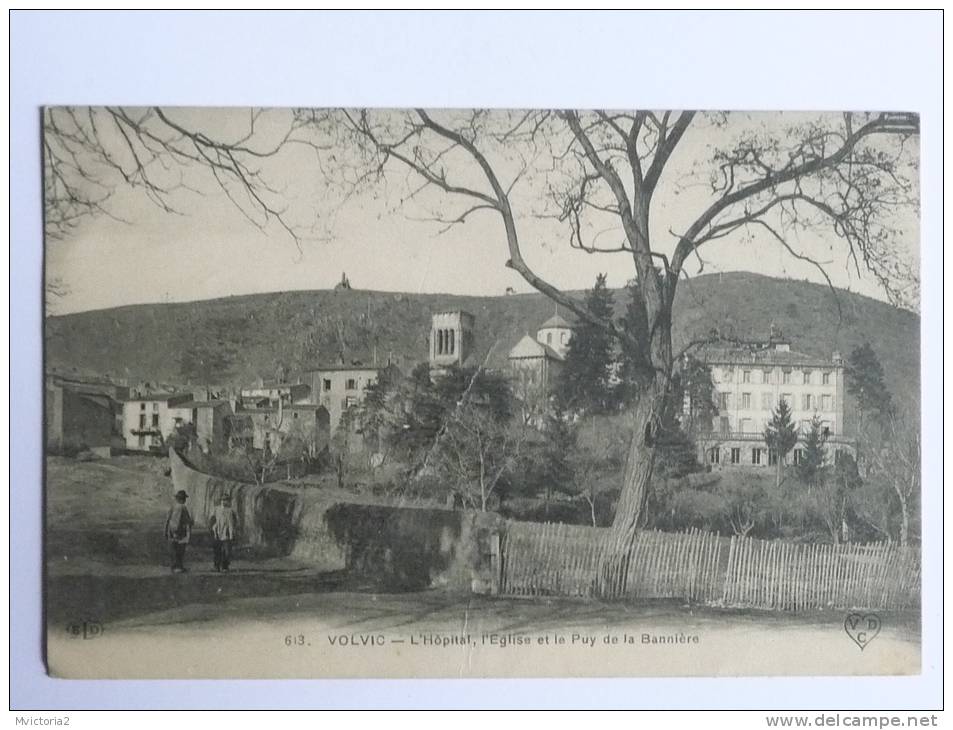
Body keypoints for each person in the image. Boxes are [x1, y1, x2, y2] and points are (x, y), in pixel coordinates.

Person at [208, 492, 238, 572]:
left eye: (226, 500)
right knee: (217, 550)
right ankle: (216, 566)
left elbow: (235, 521)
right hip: (217, 531)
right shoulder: (216, 509)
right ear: (220, 501)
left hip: (227, 532)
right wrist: (212, 528)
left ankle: (225, 566)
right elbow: (212, 519)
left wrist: (233, 530)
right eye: (223, 500)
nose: (224, 502)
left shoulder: (231, 511)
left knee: (227, 550)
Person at [165, 490, 194, 573]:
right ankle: (179, 566)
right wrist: (191, 525)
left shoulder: (172, 507)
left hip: (172, 531)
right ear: (183, 499)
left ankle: (174, 566)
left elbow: (167, 519)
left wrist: (166, 531)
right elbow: (187, 521)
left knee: (173, 549)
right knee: (180, 549)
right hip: (181, 532)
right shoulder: (183, 508)